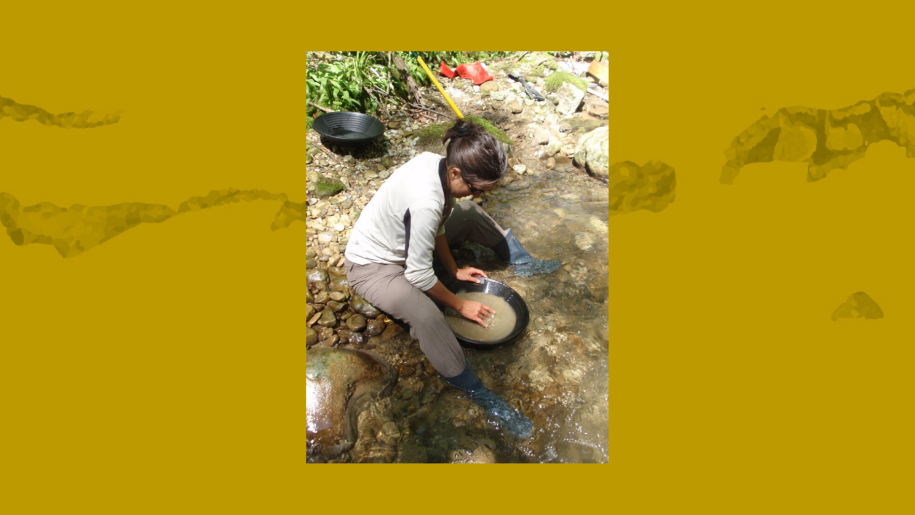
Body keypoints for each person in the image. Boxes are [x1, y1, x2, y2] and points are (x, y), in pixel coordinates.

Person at [343, 120, 561, 437]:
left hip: (409, 245)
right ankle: (477, 393)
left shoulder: (438, 166)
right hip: (373, 265)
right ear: (456, 173)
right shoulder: (427, 198)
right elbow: (418, 272)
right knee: (427, 314)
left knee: (470, 212)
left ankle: (521, 261)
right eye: (477, 188)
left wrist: (454, 269)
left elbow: (439, 226)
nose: (479, 193)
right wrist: (460, 305)